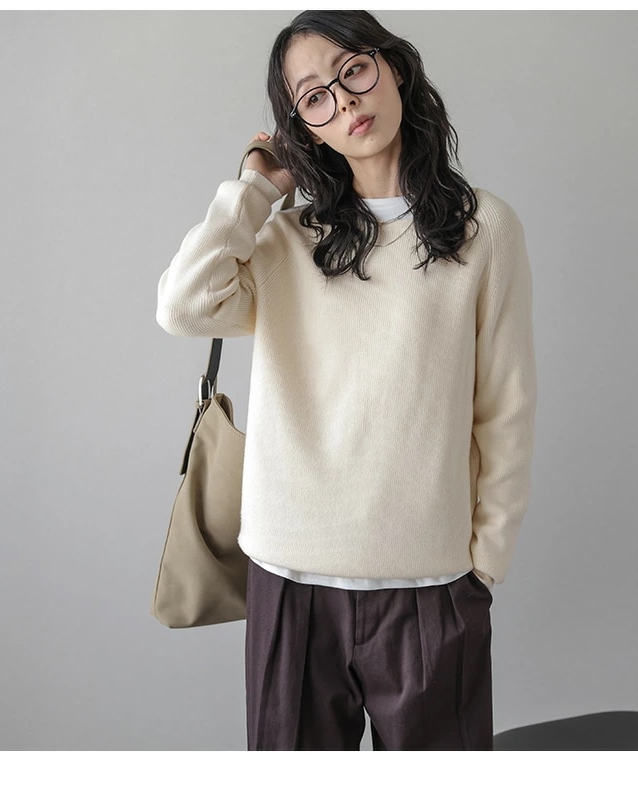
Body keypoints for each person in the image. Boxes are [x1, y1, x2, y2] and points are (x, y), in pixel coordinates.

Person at [156, 10, 537, 751]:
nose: (346, 101)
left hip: (431, 588)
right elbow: (183, 306)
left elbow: (506, 406)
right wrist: (254, 188)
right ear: (303, 127)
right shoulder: (285, 240)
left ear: (394, 66)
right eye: (314, 97)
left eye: (353, 70)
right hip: (288, 580)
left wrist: (483, 566)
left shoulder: (485, 229)